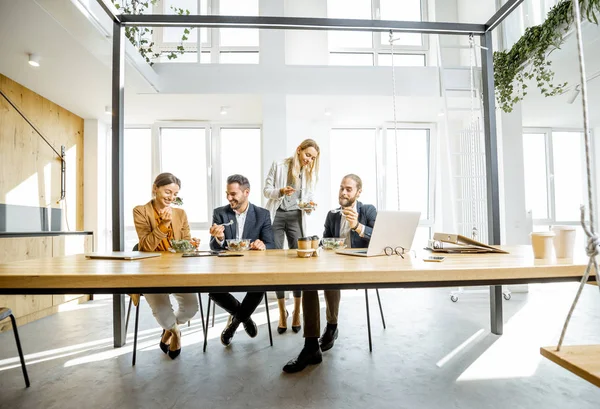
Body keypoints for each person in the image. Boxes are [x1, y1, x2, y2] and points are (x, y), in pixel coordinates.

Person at [283, 174, 377, 373]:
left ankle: (332, 326)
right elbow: (326, 242)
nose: (343, 192)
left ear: (358, 192)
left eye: (348, 189)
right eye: (341, 188)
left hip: (361, 265)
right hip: (336, 264)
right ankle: (310, 345)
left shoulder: (368, 210)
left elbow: (379, 238)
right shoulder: (332, 215)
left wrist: (358, 227)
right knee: (310, 281)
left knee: (331, 277)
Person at [133, 172, 199, 359]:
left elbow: (184, 242)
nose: (171, 197)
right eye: (167, 192)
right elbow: (145, 246)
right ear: (155, 188)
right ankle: (176, 333)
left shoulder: (181, 213)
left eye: (175, 194)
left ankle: (168, 331)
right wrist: (164, 224)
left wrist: (191, 244)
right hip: (151, 271)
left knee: (191, 308)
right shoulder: (140, 211)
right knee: (162, 313)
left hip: (177, 269)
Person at [209, 174, 276, 346]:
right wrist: (219, 238)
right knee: (213, 291)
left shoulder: (262, 214)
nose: (229, 198)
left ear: (246, 192)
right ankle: (245, 318)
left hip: (252, 267)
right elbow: (214, 247)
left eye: (233, 194)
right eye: (227, 194)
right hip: (225, 267)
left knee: (260, 287)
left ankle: (233, 324)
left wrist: (263, 245)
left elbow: (271, 244)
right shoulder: (220, 213)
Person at [264, 139, 320, 334]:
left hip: (297, 216)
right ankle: (281, 312)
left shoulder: (309, 173)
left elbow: (309, 197)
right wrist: (280, 191)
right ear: (299, 150)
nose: (309, 160)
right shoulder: (279, 165)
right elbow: (266, 190)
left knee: (299, 262)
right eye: (307, 155)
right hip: (277, 216)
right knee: (277, 262)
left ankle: (296, 311)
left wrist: (310, 205)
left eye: (313, 158)